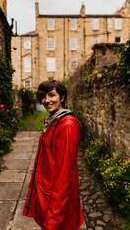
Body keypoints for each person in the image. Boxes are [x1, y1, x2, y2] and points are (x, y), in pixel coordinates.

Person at [23, 79, 85, 230]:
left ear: (62, 97)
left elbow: (64, 176)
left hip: (57, 204)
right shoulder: (53, 121)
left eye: (51, 95)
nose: (46, 100)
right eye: (43, 96)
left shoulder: (67, 126)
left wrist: (53, 218)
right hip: (47, 195)